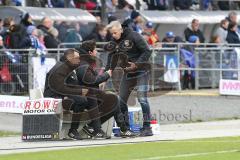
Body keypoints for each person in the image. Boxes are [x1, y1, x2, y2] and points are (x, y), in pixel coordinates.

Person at [44, 49, 118, 140]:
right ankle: (73, 131)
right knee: (81, 100)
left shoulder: (68, 67)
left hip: (63, 95)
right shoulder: (59, 69)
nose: (79, 60)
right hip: (54, 98)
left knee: (91, 97)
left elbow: (72, 86)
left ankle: (96, 130)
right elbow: (59, 88)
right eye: (77, 58)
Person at [76, 39, 135, 138]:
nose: (97, 52)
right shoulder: (83, 64)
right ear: (90, 52)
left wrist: (101, 81)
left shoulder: (86, 62)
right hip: (87, 97)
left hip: (92, 94)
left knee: (114, 101)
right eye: (95, 50)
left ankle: (122, 129)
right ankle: (122, 129)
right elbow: (90, 80)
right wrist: (106, 75)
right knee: (114, 100)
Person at [105, 20, 153, 136]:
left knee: (142, 99)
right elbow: (111, 56)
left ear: (121, 29)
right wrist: (108, 71)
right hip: (128, 73)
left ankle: (147, 128)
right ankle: (126, 129)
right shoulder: (114, 41)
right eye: (112, 33)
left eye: (115, 33)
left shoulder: (134, 36)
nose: (113, 35)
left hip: (142, 70)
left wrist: (136, 64)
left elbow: (147, 51)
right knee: (121, 100)